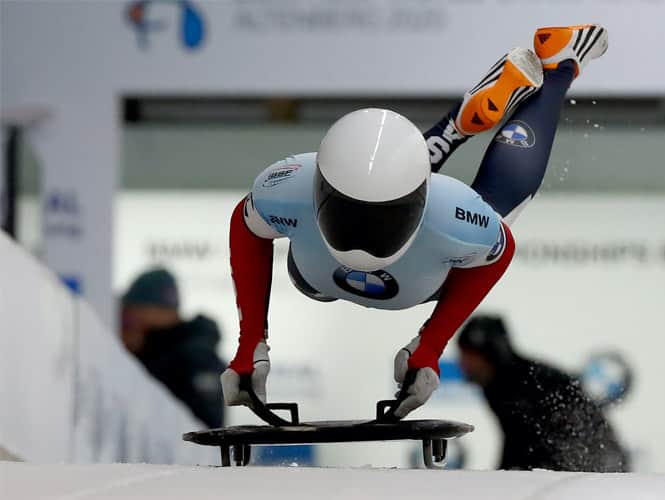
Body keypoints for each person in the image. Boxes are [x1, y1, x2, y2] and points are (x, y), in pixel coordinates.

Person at [222, 25, 609, 419]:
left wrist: (251, 343)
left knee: (477, 217)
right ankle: (555, 68)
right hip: (413, 272)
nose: (364, 239)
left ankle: (473, 116)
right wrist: (428, 347)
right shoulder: (448, 214)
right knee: (487, 211)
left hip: (318, 269)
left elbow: (246, 224)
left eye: (383, 219)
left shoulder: (284, 186)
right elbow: (499, 249)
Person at [458, 315, 629, 472]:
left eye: (469, 355)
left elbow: (525, 444)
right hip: (580, 468)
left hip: (593, 468)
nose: (463, 363)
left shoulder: (522, 383)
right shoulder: (500, 383)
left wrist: (502, 479)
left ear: (491, 354)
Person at [121, 268, 226, 428]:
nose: (129, 320)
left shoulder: (195, 358)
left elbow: (204, 429)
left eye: (133, 312)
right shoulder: (155, 349)